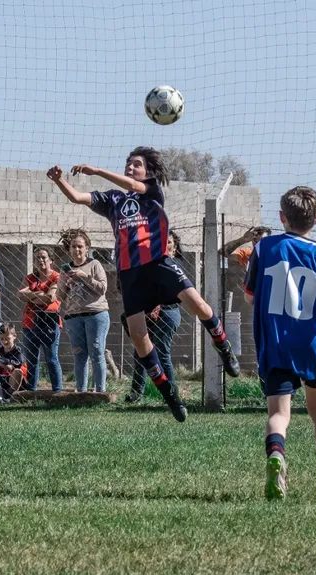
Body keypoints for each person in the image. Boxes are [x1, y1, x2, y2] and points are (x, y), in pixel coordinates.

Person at [47, 147, 239, 423]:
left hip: (158, 262)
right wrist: (58, 180)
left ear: (147, 172)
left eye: (136, 164)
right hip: (130, 273)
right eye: (127, 163)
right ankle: (170, 394)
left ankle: (223, 346)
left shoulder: (151, 192)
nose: (130, 167)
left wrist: (98, 170)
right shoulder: (113, 200)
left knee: (199, 305)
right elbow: (78, 197)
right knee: (138, 335)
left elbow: (133, 185)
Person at [244, 186, 316, 500]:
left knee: (279, 414)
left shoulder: (264, 248)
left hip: (276, 341)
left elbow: (250, 295)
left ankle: (276, 455)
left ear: (281, 217)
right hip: (313, 342)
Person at [127, 231, 184, 404]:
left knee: (161, 351)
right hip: (147, 312)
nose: (166, 244)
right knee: (140, 352)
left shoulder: (174, 266)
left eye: (170, 242)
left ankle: (171, 394)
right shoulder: (148, 264)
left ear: (174, 248)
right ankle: (136, 393)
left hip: (168, 312)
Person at [57, 228, 110, 393]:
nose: (77, 250)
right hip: (74, 316)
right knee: (79, 355)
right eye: (73, 246)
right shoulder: (65, 269)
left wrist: (84, 276)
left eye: (80, 246)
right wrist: (64, 282)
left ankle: (100, 392)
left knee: (97, 352)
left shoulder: (94, 265)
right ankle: (80, 391)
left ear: (87, 248)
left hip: (96, 314)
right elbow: (60, 296)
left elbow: (102, 288)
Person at [19, 247, 64, 392]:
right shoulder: (30, 277)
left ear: (51, 260)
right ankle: (32, 391)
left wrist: (31, 294)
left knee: (51, 359)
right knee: (32, 359)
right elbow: (20, 295)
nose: (40, 260)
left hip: (49, 322)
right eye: (37, 258)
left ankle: (57, 390)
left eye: (44, 257)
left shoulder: (57, 277)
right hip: (30, 322)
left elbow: (51, 298)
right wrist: (40, 294)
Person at [0, 322, 26, 397]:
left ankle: (10, 394)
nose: (4, 341)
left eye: (7, 338)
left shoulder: (18, 351)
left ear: (14, 336)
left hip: (12, 379)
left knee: (17, 372)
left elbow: (16, 366)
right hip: (0, 378)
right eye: (2, 339)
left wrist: (4, 362)